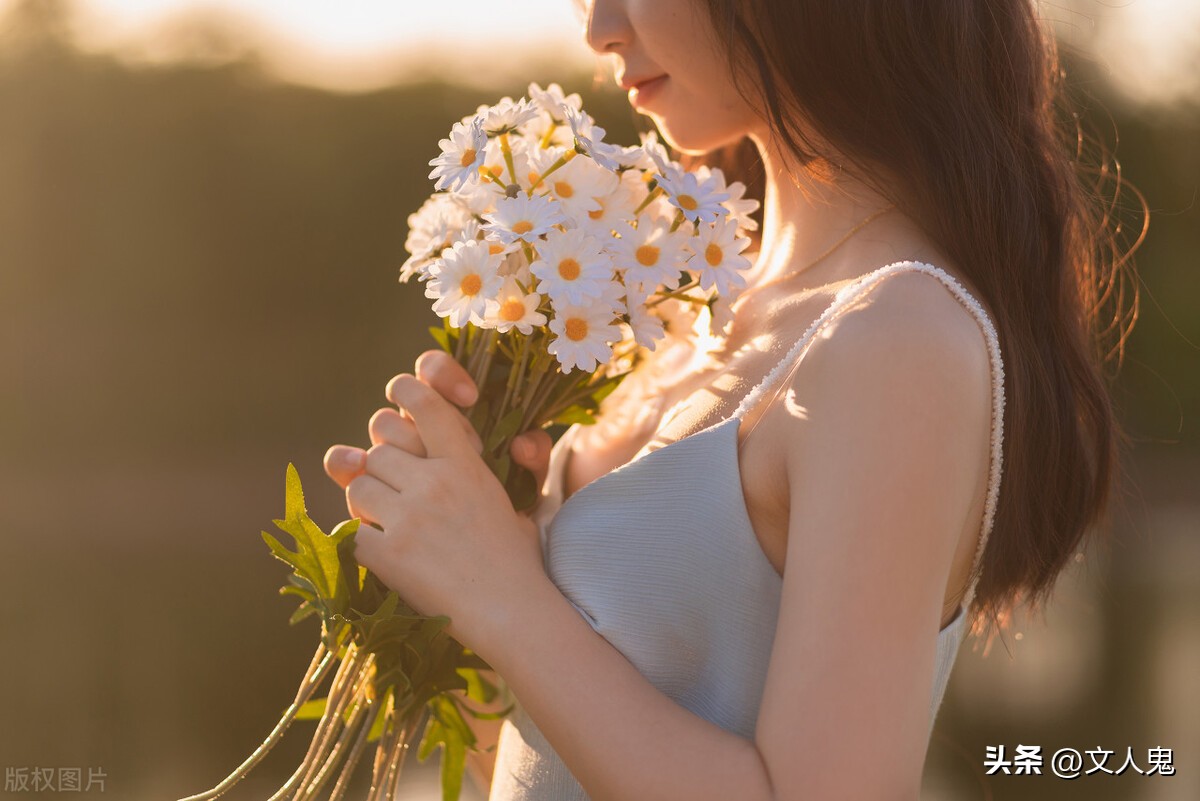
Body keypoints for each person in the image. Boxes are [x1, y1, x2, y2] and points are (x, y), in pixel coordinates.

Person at [323, 0, 1141, 798]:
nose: (601, 29)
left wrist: (501, 593)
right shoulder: (682, 311)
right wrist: (460, 558)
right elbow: (548, 763)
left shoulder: (897, 337)